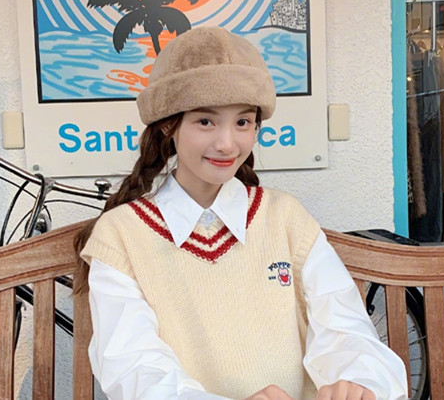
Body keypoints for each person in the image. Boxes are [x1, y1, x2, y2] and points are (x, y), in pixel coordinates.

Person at [74, 26, 407, 400]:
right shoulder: (121, 235)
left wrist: (357, 381)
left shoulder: (285, 218)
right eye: (205, 121)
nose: (227, 143)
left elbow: (344, 327)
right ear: (168, 124)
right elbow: (134, 367)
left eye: (243, 122)